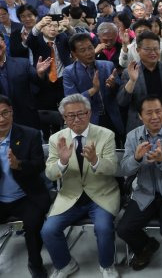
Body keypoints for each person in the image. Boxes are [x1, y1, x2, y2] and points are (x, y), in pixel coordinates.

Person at [42, 94, 120, 278]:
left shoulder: (106, 134)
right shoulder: (56, 139)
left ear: (89, 113)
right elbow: (50, 174)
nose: (76, 119)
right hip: (70, 196)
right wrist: (62, 161)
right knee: (48, 230)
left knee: (103, 227)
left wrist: (95, 161)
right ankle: (65, 264)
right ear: (64, 117)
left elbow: (113, 168)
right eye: (71, 116)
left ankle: (107, 265)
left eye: (81, 114)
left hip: (101, 194)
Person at [117, 96, 162, 273]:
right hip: (145, 192)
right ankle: (147, 246)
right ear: (140, 116)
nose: (155, 116)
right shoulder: (133, 136)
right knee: (124, 228)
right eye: (149, 113)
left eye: (159, 111)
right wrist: (136, 158)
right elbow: (124, 169)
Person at [0, 95, 50, 277]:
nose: (1, 119)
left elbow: (39, 165)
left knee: (33, 224)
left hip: (26, 196)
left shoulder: (30, 134)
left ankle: (35, 264)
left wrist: (18, 165)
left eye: (5, 113)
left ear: (12, 112)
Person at [117, 31, 162, 133]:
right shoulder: (130, 71)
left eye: (156, 49)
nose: (153, 52)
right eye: (147, 49)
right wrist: (132, 81)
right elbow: (122, 101)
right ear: (138, 50)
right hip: (140, 128)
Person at [63, 33, 124, 146]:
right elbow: (71, 101)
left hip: (111, 116)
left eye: (90, 48)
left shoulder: (108, 65)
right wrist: (93, 89)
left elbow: (121, 93)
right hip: (89, 119)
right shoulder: (69, 72)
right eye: (83, 50)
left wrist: (114, 84)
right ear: (74, 54)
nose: (89, 53)